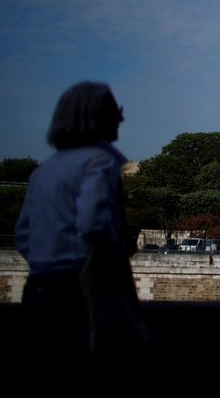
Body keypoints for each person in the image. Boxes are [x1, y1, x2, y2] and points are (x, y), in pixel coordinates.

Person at [16, 81, 148, 357]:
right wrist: (118, 248)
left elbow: (23, 236)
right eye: (114, 114)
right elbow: (93, 223)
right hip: (82, 291)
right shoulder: (99, 162)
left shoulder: (44, 169)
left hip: (38, 286)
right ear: (98, 118)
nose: (120, 121)